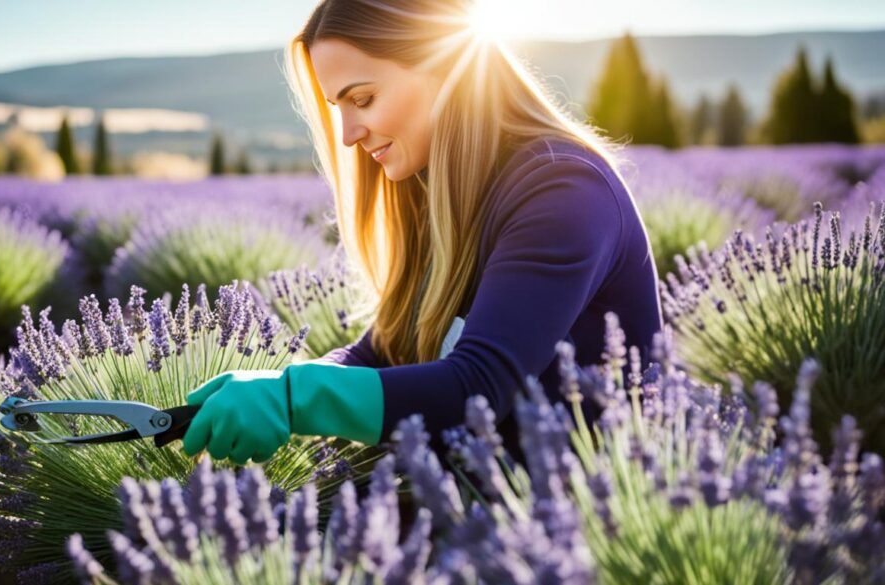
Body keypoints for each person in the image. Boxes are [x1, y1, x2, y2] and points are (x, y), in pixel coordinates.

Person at [181, 0, 663, 466]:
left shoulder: (563, 190)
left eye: (363, 99)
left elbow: (477, 389)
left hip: (592, 527)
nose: (347, 133)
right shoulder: (446, 191)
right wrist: (277, 383)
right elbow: (382, 351)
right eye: (338, 107)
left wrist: (295, 398)